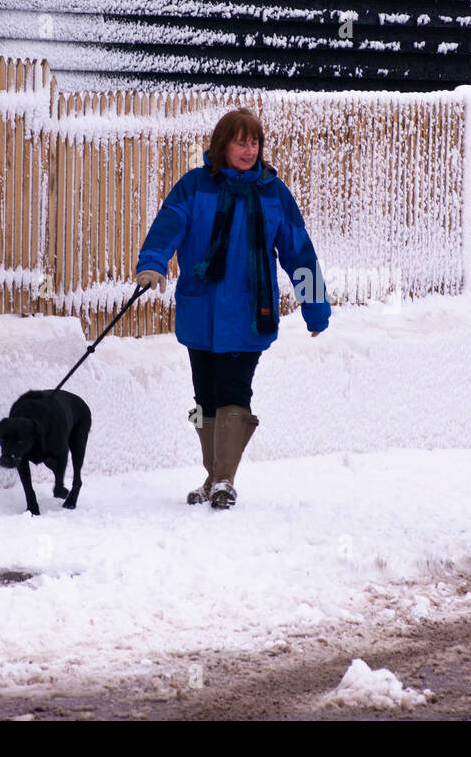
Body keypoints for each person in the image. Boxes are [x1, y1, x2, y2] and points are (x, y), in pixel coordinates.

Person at [134, 108, 330, 510]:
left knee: (234, 392)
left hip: (248, 315)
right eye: (241, 141)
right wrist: (153, 263)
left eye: (254, 141)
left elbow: (300, 252)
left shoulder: (274, 193)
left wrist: (316, 307)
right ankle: (213, 474)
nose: (249, 149)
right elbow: (168, 225)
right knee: (204, 399)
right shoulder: (194, 186)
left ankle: (225, 479)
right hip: (200, 313)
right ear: (222, 145)